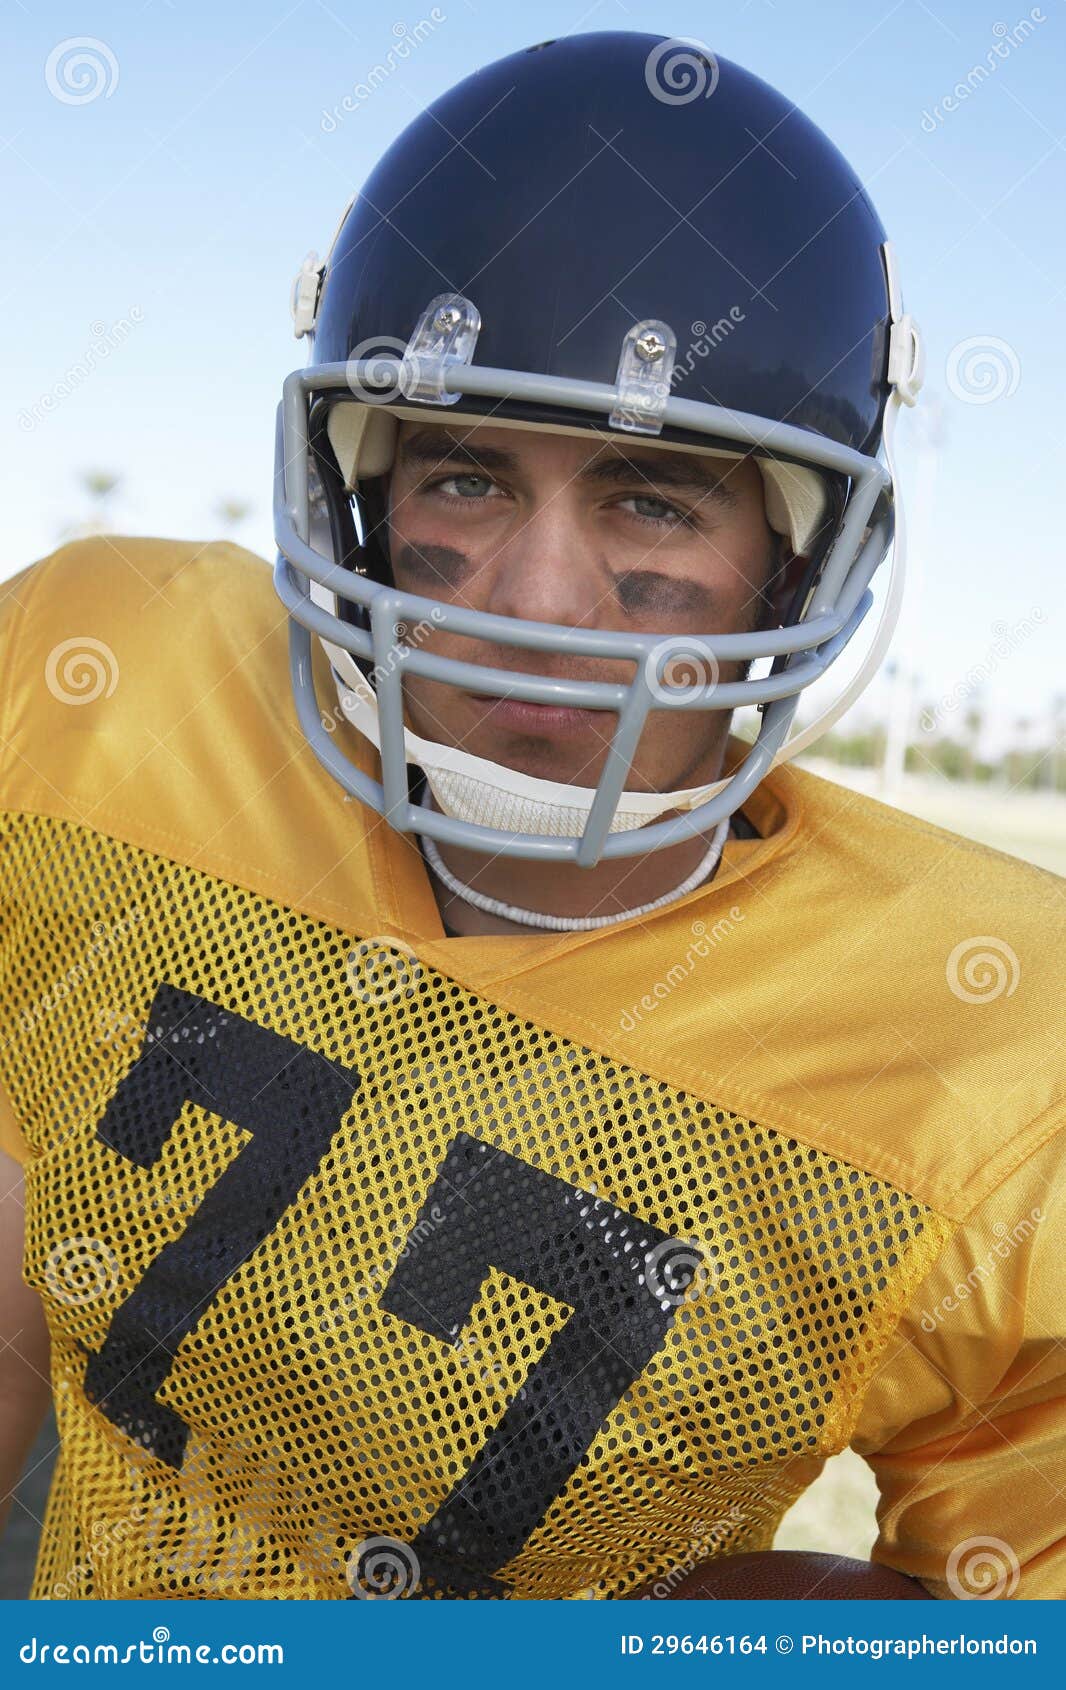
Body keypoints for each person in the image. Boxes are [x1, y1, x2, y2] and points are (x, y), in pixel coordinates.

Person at [0, 32, 1061, 1602]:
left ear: (794, 556)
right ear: (358, 497)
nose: (540, 603)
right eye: (467, 477)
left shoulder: (989, 1044)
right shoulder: (109, 674)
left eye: (652, 498)